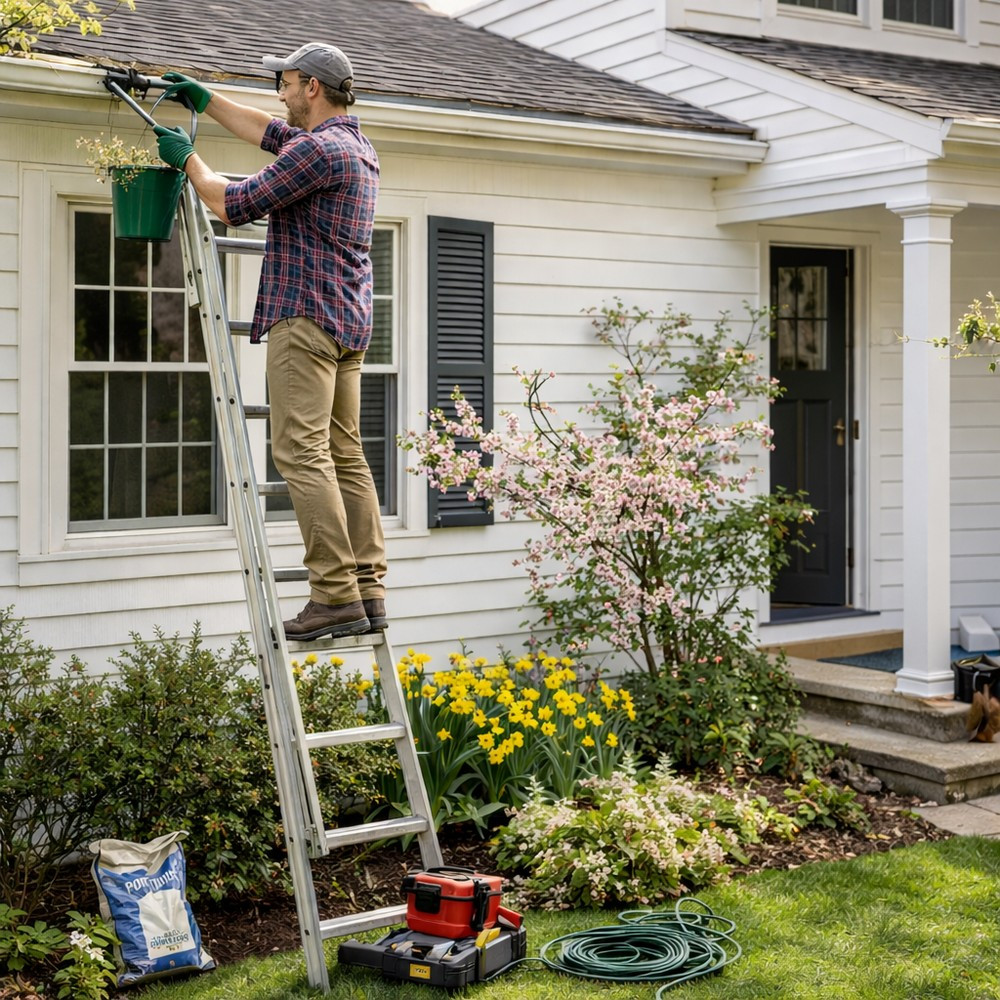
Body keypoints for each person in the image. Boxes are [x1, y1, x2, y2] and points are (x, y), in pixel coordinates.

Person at [154, 43, 386, 641]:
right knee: (345, 455)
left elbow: (232, 205)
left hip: (304, 319)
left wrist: (189, 161)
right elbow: (267, 131)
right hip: (348, 321)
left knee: (300, 454)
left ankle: (334, 595)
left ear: (312, 87)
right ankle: (367, 588)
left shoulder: (316, 150)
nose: (278, 93)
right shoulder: (355, 147)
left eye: (284, 83)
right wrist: (205, 99)